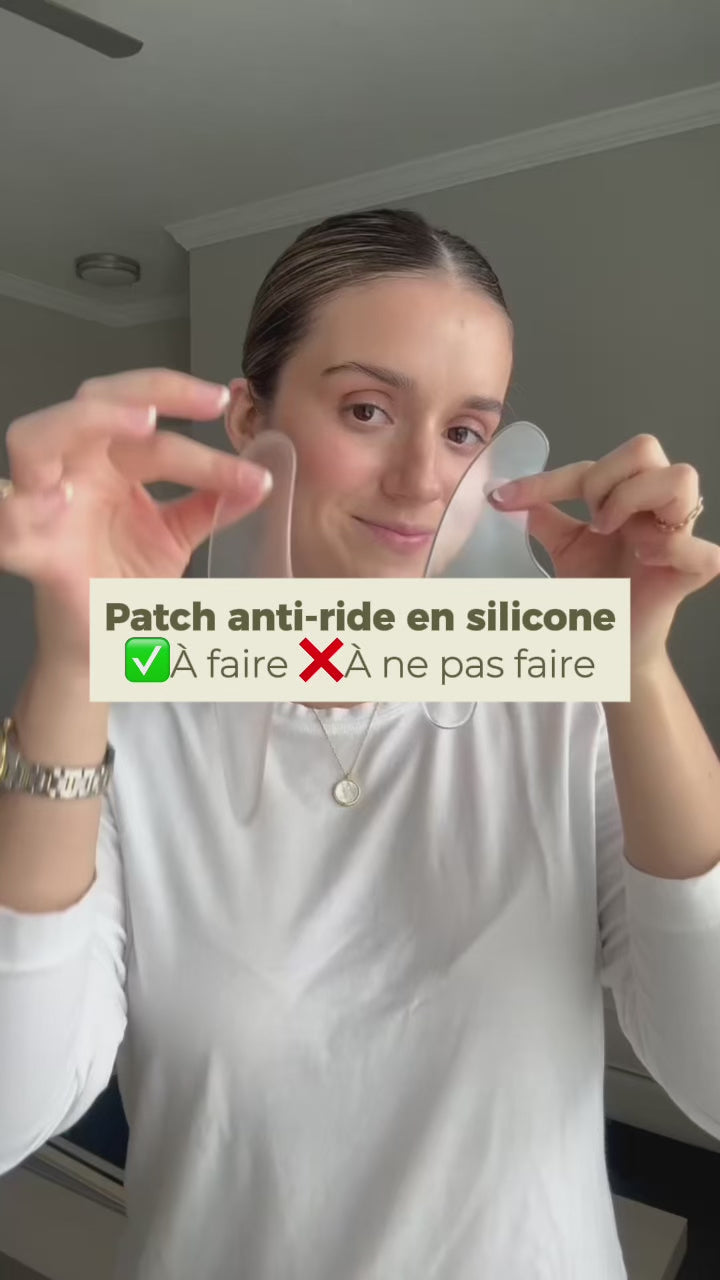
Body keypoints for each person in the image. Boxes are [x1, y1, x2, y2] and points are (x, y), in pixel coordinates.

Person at [1, 207, 720, 1280]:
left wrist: (636, 668)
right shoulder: (131, 717)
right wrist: (76, 668)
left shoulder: (563, 699)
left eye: (465, 431)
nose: (424, 479)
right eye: (368, 409)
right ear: (252, 415)